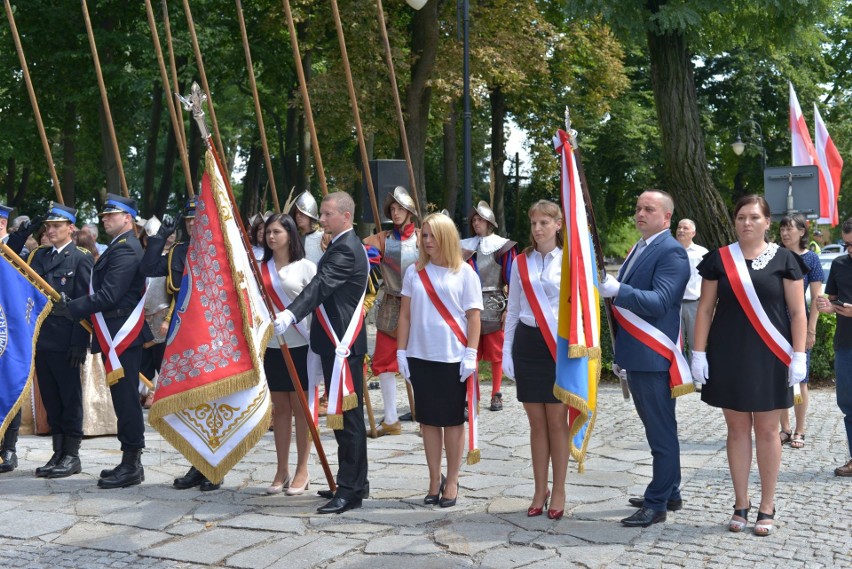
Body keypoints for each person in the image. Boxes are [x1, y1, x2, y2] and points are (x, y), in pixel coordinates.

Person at [692, 195, 807, 536]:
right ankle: (740, 503)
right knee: (737, 428)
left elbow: (798, 312)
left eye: (754, 217)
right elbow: (704, 309)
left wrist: (798, 355)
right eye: (741, 217)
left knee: (769, 430)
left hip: (771, 355)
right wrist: (698, 353)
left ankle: (767, 505)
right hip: (728, 354)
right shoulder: (719, 260)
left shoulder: (785, 260)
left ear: (767, 222)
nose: (747, 223)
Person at [273, 191, 370, 514]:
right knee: (345, 418)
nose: (322, 219)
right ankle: (354, 480)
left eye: (327, 214)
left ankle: (349, 490)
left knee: (347, 420)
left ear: (345, 216)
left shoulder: (344, 248)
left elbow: (321, 285)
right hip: (335, 344)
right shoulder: (342, 244)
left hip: (342, 345)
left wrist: (290, 313)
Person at [599, 189, 690, 528]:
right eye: (638, 207)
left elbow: (660, 301)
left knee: (660, 432)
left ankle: (657, 504)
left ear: (666, 217)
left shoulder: (672, 253)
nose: (640, 213)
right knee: (660, 429)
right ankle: (670, 491)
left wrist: (618, 290)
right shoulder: (641, 247)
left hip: (653, 356)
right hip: (638, 354)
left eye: (649, 209)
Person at [396, 212, 482, 508]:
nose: (427, 241)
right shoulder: (413, 272)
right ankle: (434, 479)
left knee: (452, 421)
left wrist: (471, 353)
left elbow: (474, 317)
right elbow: (405, 315)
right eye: (424, 235)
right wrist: (401, 351)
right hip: (420, 356)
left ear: (446, 237)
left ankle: (453, 479)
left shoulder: (465, 273)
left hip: (452, 357)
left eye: (432, 235)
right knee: (428, 422)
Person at [67, 193, 152, 489]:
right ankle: (129, 460)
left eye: (111, 215)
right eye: (104, 215)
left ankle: (132, 463)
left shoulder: (126, 250)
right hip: (113, 329)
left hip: (122, 331)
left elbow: (110, 295)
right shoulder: (119, 246)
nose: (105, 219)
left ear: (127, 218)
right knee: (122, 397)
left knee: (127, 399)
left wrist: (73, 306)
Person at [139, 199, 224, 491]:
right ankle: (196, 464)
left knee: (210, 402)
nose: (191, 224)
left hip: (211, 334)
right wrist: (161, 236)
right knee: (188, 405)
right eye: (187, 221)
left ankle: (215, 466)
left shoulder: (219, 249)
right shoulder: (177, 250)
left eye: (196, 219)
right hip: (182, 334)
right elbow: (148, 267)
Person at [10, 204, 93, 478]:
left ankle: (72, 454)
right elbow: (11, 260)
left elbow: (84, 304)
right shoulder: (37, 255)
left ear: (71, 228)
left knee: (70, 398)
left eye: (58, 225)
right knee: (51, 399)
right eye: (48, 226)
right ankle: (58, 451)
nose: (51, 230)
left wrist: (80, 342)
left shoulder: (80, 258)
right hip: (40, 339)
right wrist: (23, 234)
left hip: (66, 339)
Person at [502, 200, 567, 519]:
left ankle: (559, 489)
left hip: (558, 347)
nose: (538, 228)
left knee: (557, 421)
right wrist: (506, 353)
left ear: (558, 225)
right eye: (533, 223)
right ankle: (539, 489)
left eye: (544, 222)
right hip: (528, 343)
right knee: (536, 422)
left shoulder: (570, 260)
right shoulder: (520, 261)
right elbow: (512, 310)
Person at [260, 213, 317, 495]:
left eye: (277, 232)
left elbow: (315, 305)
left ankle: (302, 470)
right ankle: (281, 469)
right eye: (268, 232)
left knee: (300, 410)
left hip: (300, 345)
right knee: (280, 411)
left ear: (290, 234)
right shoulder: (261, 269)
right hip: (272, 346)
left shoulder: (306, 268)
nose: (271, 237)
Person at [363, 187, 420, 436]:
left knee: (420, 361)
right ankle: (390, 418)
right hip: (390, 306)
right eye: (393, 209)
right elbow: (361, 253)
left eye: (400, 209)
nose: (395, 213)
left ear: (410, 212)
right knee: (385, 362)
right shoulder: (382, 240)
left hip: (419, 305)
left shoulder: (423, 237)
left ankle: (427, 417)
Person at [461, 201, 516, 411]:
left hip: (495, 303)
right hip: (469, 305)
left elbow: (512, 279)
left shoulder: (502, 246)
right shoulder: (464, 246)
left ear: (489, 223)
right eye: (474, 220)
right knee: (470, 352)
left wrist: (508, 308)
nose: (476, 223)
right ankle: (472, 395)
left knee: (496, 354)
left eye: (480, 219)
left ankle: (496, 393)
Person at [778, 214, 824, 450]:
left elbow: (817, 297)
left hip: (799, 322)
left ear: (802, 232)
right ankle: (784, 429)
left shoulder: (811, 259)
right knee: (778, 378)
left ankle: (800, 429)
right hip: (774, 323)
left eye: (790, 229)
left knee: (800, 379)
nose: (785, 233)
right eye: (782, 229)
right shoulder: (774, 255)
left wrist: (811, 329)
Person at [816, 218, 852, 478]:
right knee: (848, 404)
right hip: (845, 344)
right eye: (846, 244)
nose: (849, 250)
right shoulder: (839, 264)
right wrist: (829, 307)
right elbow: (833, 300)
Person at [675, 218, 708, 360]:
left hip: (695, 304)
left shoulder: (702, 253)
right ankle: (680, 380)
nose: (681, 230)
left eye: (685, 228)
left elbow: (709, 281)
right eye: (679, 227)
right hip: (674, 305)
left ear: (693, 233)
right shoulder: (669, 251)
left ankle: (696, 379)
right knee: (676, 344)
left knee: (697, 345)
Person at [290, 191, 326, 264]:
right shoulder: (294, 238)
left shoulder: (323, 237)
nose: (298, 216)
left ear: (310, 215)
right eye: (296, 213)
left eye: (301, 213)